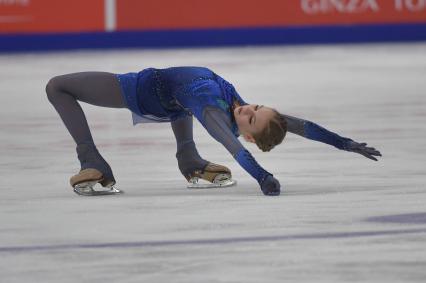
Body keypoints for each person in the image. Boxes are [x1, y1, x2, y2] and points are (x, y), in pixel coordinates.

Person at [46, 66, 381, 196]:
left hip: (137, 89)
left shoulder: (212, 112)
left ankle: (92, 161)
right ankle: (189, 159)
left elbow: (238, 153)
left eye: (251, 119)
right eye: (257, 107)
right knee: (181, 101)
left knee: (57, 87)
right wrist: (346, 143)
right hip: (172, 97)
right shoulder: (239, 108)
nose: (248, 109)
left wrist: (264, 178)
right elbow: (301, 126)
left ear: (248, 134)